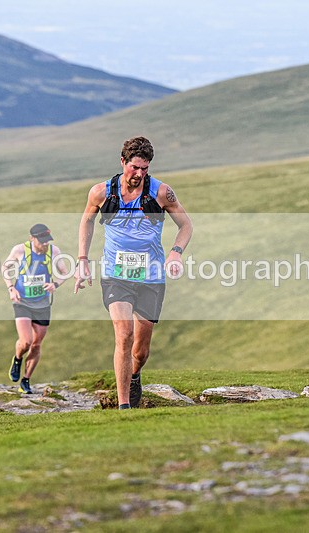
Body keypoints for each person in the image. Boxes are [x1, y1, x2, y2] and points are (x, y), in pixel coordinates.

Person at [74, 136, 193, 409]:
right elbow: (87, 221)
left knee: (140, 350)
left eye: (145, 168)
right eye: (134, 167)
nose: (139, 174)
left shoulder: (161, 193)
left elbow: (186, 225)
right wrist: (82, 259)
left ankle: (135, 374)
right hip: (116, 274)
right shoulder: (102, 193)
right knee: (123, 333)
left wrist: (176, 252)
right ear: (122, 162)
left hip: (150, 277)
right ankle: (123, 405)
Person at [2, 223, 68, 394]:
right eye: (41, 241)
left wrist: (55, 284)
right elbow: (5, 268)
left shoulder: (54, 251)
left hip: (43, 303)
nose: (45, 244)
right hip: (22, 301)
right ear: (32, 238)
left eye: (47, 241)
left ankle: (26, 380)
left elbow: (64, 272)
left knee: (36, 345)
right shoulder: (19, 250)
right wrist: (11, 288)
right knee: (26, 341)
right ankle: (17, 359)